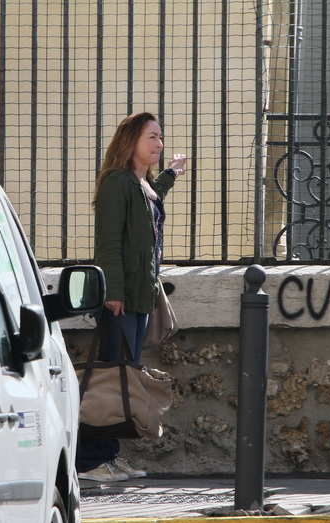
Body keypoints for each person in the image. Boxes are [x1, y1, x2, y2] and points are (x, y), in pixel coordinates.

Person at [77, 112, 187, 482]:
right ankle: (91, 461)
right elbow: (108, 243)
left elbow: (151, 205)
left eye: (160, 137)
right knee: (110, 376)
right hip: (121, 299)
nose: (158, 143)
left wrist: (171, 174)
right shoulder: (117, 183)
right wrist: (113, 294)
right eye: (151, 137)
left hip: (141, 296)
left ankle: (108, 455)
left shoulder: (143, 184)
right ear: (131, 142)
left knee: (125, 375)